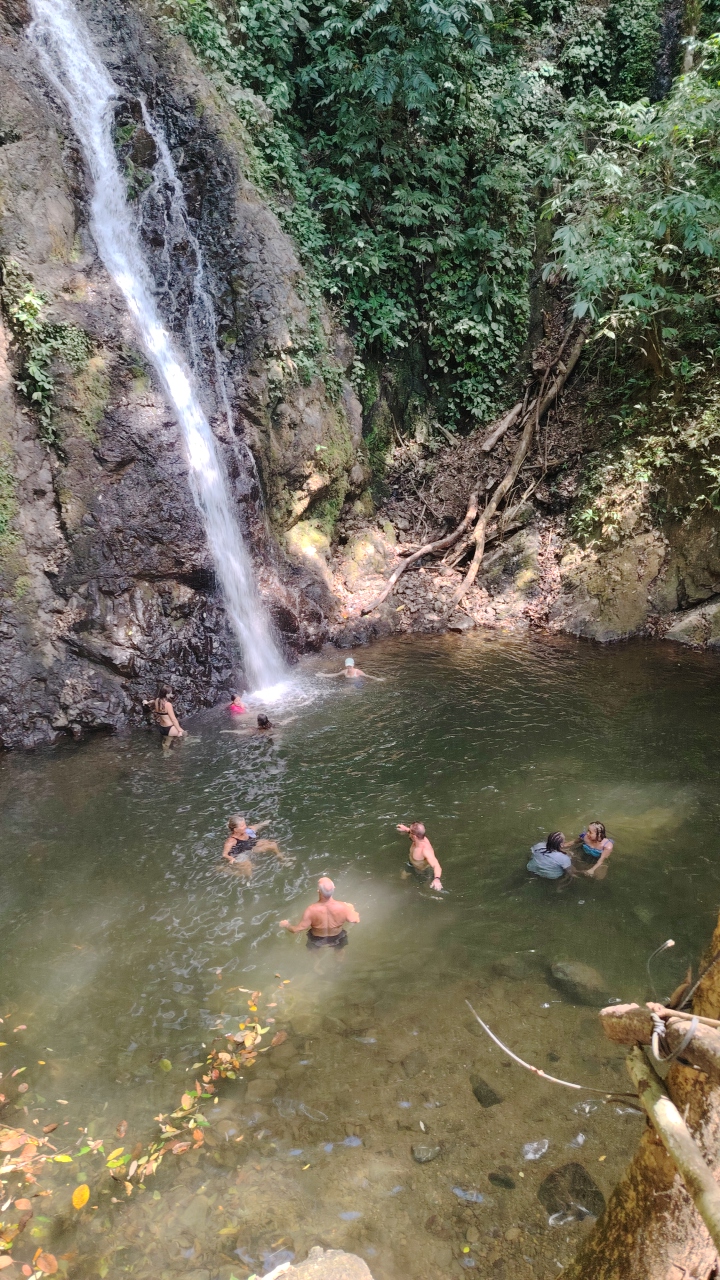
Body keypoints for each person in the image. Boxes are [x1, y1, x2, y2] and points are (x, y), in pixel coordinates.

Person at [279, 877, 360, 950]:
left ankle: (316, 966)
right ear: (334, 888)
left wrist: (286, 925)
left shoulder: (310, 910)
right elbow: (356, 920)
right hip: (338, 936)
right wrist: (352, 908)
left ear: (318, 891)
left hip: (317, 939)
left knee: (314, 953)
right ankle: (338, 963)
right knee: (339, 952)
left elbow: (296, 930)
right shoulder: (344, 907)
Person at [396, 821, 442, 891]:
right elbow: (415, 833)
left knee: (425, 888)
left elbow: (436, 865)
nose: (409, 832)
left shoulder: (425, 850)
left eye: (410, 831)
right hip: (411, 864)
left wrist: (437, 879)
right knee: (403, 877)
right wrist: (406, 829)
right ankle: (404, 889)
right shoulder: (418, 838)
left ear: (414, 836)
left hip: (422, 871)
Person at [318, 657, 385, 681]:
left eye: (350, 666)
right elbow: (334, 674)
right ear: (346, 666)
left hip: (358, 683)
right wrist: (323, 675)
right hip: (348, 684)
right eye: (348, 666)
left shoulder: (358, 672)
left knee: (347, 691)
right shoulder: (345, 671)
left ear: (353, 665)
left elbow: (367, 676)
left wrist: (377, 679)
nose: (349, 667)